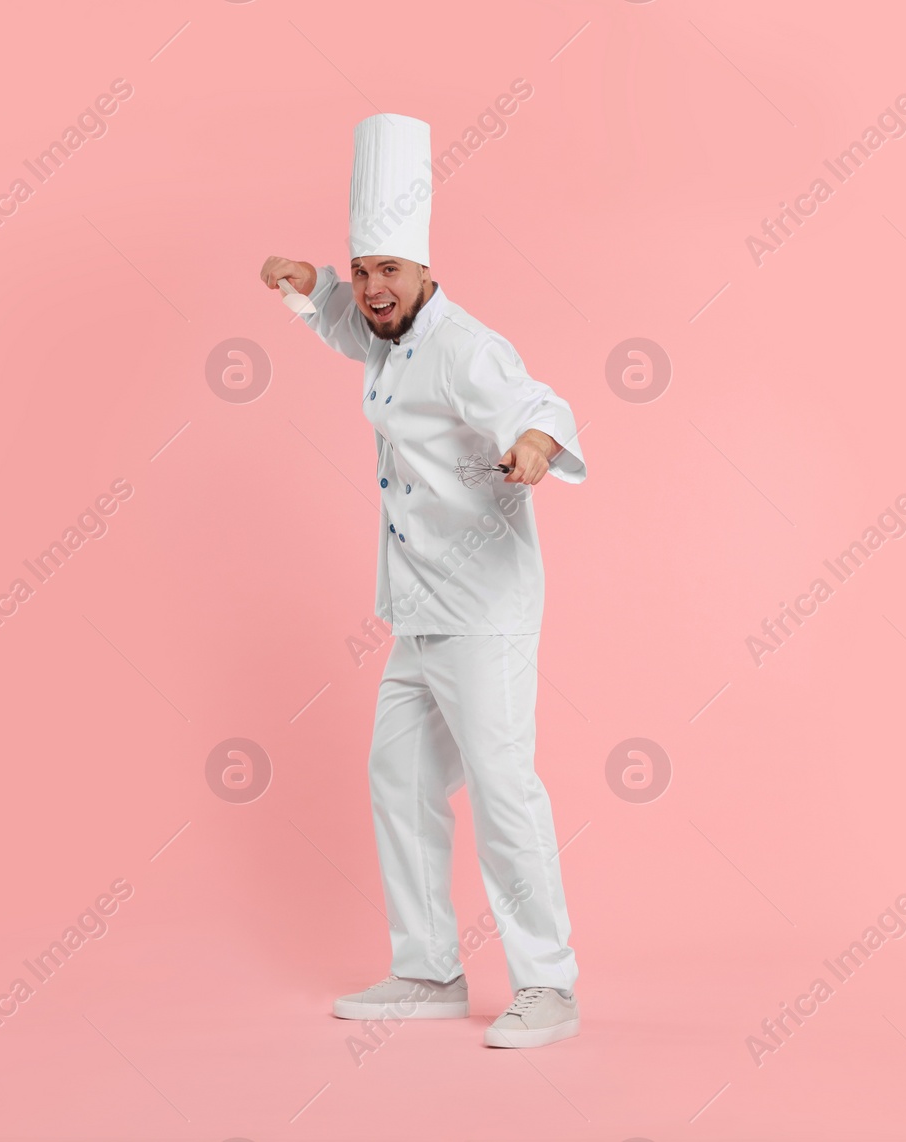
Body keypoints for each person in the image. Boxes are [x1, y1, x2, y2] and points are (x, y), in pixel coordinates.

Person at [258, 112, 586, 1049]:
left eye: (386, 273)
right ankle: (428, 970)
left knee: (502, 786)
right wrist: (305, 286)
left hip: (483, 608)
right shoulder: (384, 330)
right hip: (417, 608)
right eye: (361, 271)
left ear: (426, 269)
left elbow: (539, 401)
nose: (370, 290)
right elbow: (347, 329)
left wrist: (531, 444)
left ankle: (548, 986)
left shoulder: (465, 345)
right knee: (399, 781)